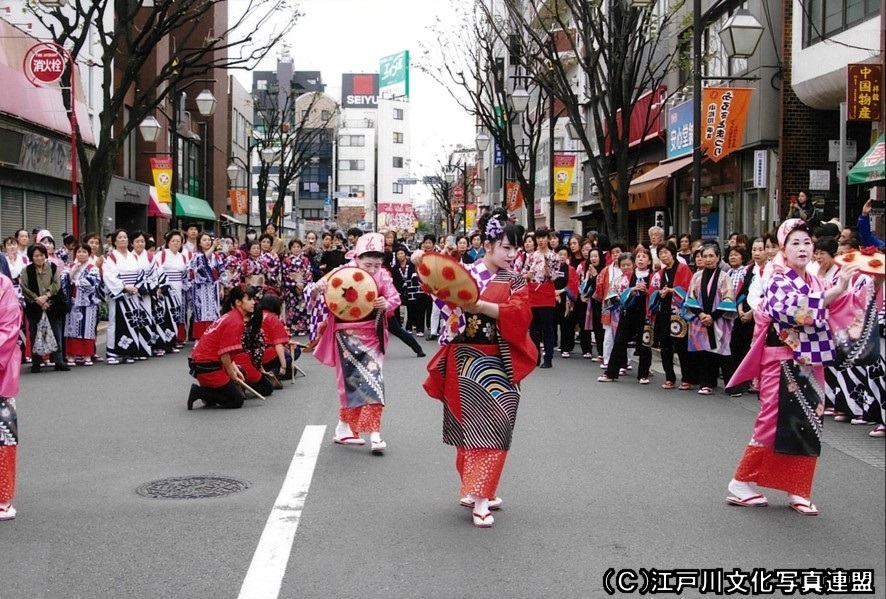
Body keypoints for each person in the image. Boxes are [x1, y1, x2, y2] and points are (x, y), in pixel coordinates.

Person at [725, 219, 860, 516]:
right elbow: (793, 311)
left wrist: (872, 282)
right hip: (780, 358)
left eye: (806, 242)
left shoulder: (816, 280)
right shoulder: (777, 278)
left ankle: (797, 488)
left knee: (809, 422)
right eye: (795, 243)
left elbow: (844, 305)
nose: (802, 248)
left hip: (811, 360)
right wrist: (835, 292)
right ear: (783, 249)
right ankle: (741, 481)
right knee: (772, 419)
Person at [422, 208, 537, 528]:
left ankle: (482, 496)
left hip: (499, 358)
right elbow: (443, 302)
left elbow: (520, 315)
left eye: (515, 248)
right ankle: (476, 490)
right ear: (488, 245)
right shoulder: (464, 273)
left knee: (498, 427)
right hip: (465, 357)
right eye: (506, 247)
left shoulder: (515, 279)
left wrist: (480, 305)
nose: (513, 254)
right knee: (468, 430)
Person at [306, 232, 401, 454]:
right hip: (345, 333)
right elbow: (314, 292)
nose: (372, 269)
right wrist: (317, 290)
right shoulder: (341, 272)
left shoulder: (384, 276)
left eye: (377, 264)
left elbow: (395, 298)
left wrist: (385, 303)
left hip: (371, 334)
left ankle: (375, 434)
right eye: (368, 264)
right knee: (349, 382)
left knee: (374, 380)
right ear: (356, 258)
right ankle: (344, 428)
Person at [186, 285, 258, 410]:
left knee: (241, 372)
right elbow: (224, 353)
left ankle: (209, 393)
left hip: (203, 362)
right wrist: (232, 374)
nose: (253, 302)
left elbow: (228, 354)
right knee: (236, 401)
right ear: (238, 302)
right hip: (207, 365)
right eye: (250, 299)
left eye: (253, 299)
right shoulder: (235, 321)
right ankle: (199, 391)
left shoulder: (231, 316)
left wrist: (235, 370)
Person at [685, 243, 736, 395]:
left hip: (719, 320)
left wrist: (713, 316)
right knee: (703, 352)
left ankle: (732, 385)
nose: (707, 259)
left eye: (711, 256)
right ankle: (706, 383)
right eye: (704, 256)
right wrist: (701, 314)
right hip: (700, 320)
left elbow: (728, 299)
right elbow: (690, 298)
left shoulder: (724, 276)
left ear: (718, 257)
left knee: (724, 352)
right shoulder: (697, 276)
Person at [650, 241, 696, 390]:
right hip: (663, 312)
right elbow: (652, 290)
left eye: (665, 253)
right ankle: (669, 377)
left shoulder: (683, 268)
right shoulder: (660, 273)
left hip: (678, 314)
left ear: (672, 253)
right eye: (660, 254)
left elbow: (688, 289)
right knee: (665, 346)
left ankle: (687, 378)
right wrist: (658, 293)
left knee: (681, 346)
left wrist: (672, 291)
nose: (663, 256)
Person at [20, 244, 70, 373]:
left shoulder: (52, 267)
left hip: (53, 304)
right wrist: (38, 300)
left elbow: (56, 283)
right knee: (35, 333)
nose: (39, 258)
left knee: (56, 331)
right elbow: (25, 287)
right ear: (31, 257)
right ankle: (37, 361)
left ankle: (58, 360)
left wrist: (47, 296)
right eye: (36, 255)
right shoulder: (26, 270)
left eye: (41, 255)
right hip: (35, 305)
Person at [523, 227, 560, 368]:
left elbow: (555, 277)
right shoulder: (531, 256)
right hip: (533, 292)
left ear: (548, 239)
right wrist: (527, 275)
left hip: (546, 292)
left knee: (547, 327)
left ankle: (548, 357)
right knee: (534, 327)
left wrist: (548, 270)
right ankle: (535, 356)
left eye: (543, 237)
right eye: (538, 238)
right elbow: (524, 272)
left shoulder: (554, 257)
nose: (541, 240)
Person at [0, 273, 21, 520]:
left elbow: (9, 327)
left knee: (3, 436)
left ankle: (2, 497)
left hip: (1, 372)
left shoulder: (3, 284)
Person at [63, 244, 102, 366]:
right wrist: (73, 271)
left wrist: (76, 281)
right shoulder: (69, 266)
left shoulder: (93, 268)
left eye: (84, 252)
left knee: (87, 329)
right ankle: (71, 354)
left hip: (87, 303)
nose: (81, 254)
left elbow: (92, 282)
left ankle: (87, 354)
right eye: (79, 251)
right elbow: (64, 279)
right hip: (73, 302)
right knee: (71, 329)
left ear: (89, 254)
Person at [188, 232, 224, 339]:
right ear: (199, 243)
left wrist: (222, 288)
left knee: (214, 311)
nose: (207, 242)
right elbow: (198, 266)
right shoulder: (196, 256)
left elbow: (222, 272)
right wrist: (213, 247)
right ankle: (199, 338)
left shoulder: (217, 256)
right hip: (200, 288)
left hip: (213, 287)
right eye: (204, 240)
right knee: (200, 313)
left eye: (209, 240)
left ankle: (212, 337)